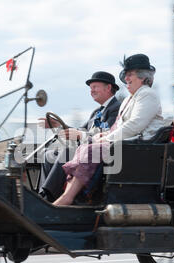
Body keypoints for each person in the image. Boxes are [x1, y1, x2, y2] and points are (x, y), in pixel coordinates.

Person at [53, 53, 166, 206]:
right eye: (126, 75)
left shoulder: (147, 94)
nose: (126, 78)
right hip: (127, 145)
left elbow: (134, 125)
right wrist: (104, 135)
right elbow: (119, 126)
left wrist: (106, 138)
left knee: (90, 150)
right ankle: (73, 196)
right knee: (86, 147)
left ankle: (68, 198)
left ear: (142, 77)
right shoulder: (129, 98)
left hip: (139, 148)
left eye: (130, 74)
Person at [38, 71, 121, 201]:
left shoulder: (116, 108)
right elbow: (80, 130)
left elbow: (108, 133)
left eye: (95, 87)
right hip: (86, 149)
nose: (91, 91)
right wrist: (58, 125)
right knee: (48, 154)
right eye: (90, 88)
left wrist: (81, 135)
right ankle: (45, 194)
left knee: (67, 151)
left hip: (100, 154)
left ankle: (49, 197)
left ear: (108, 87)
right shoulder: (97, 111)